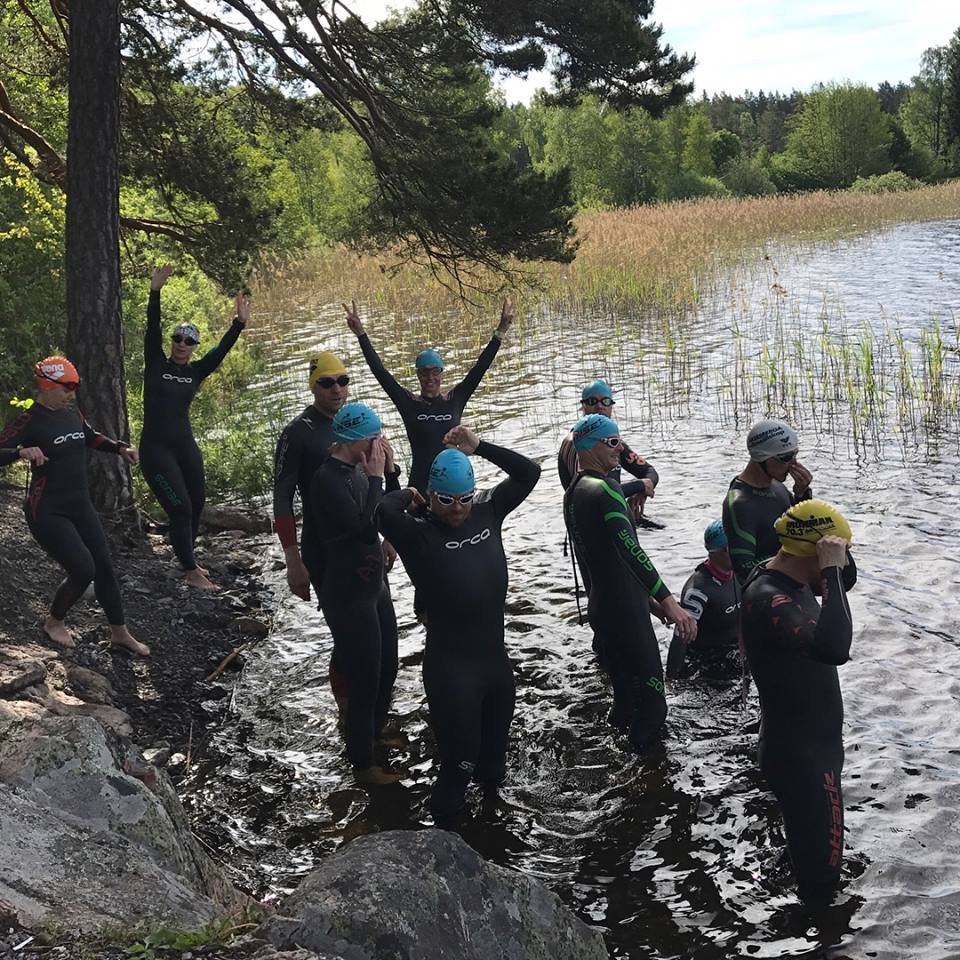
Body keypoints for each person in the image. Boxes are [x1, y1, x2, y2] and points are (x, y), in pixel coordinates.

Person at [377, 425, 540, 826]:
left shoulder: (487, 511)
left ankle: (495, 842)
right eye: (447, 499)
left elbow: (529, 473)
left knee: (494, 768)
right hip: (452, 672)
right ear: (432, 495)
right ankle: (448, 850)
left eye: (464, 498)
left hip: (495, 667)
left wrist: (480, 447)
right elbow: (381, 512)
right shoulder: (417, 534)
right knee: (458, 768)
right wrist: (406, 491)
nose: (457, 508)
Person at [740, 499, 856, 905]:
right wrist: (829, 570)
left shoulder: (788, 576)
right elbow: (835, 647)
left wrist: (832, 560)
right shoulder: (766, 597)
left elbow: (847, 581)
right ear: (809, 555)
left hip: (811, 746)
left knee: (812, 858)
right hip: (803, 756)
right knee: (822, 883)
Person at [563, 413, 696, 751]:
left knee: (624, 701)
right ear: (589, 446)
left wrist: (649, 603)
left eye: (619, 441)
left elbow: (602, 563)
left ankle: (612, 762)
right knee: (654, 706)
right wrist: (668, 602)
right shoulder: (606, 490)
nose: (619, 450)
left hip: (605, 608)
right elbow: (630, 551)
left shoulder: (574, 491)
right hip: (625, 614)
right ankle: (642, 782)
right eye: (612, 443)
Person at [0, 357, 148, 656]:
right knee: (83, 568)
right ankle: (54, 622)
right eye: (66, 388)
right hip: (47, 511)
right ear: (47, 385)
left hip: (80, 505)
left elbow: (91, 438)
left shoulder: (71, 413)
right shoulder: (30, 420)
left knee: (104, 567)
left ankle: (119, 632)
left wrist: (120, 448)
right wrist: (19, 452)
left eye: (74, 388)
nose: (71, 394)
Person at [140, 265, 249, 590]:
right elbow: (151, 328)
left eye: (189, 340)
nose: (181, 344)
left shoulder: (197, 371)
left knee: (197, 502)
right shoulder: (156, 363)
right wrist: (155, 291)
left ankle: (188, 559)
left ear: (194, 345)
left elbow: (221, 351)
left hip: (184, 446)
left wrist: (238, 324)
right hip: (155, 450)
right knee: (180, 507)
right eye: (178, 338)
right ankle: (190, 570)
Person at [310, 403, 400, 786]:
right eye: (374, 438)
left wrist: (391, 474)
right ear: (355, 440)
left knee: (388, 669)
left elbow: (386, 512)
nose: (379, 444)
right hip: (347, 594)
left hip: (374, 586)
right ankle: (362, 767)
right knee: (364, 683)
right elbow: (362, 529)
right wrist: (378, 477)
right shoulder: (326, 479)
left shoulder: (358, 471)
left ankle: (374, 736)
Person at [345, 299, 514, 492]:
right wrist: (361, 334)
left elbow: (479, 368)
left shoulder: (455, 400)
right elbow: (380, 372)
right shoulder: (409, 404)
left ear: (442, 373)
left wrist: (500, 332)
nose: (430, 377)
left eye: (435, 371)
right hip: (419, 485)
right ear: (418, 375)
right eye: (424, 372)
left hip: (453, 484)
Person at [558, 377, 661, 599]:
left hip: (614, 519)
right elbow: (588, 493)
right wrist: (636, 486)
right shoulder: (583, 447)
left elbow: (650, 473)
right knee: (605, 593)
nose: (600, 406)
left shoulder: (610, 442)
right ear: (583, 405)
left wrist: (643, 488)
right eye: (592, 401)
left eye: (606, 401)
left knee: (632, 589)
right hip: (590, 528)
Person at [722, 418, 813, 586]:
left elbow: (801, 532)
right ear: (762, 457)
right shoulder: (739, 504)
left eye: (795, 454)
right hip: (764, 594)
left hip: (789, 582)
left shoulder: (778, 488)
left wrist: (802, 495)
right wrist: (789, 560)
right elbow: (744, 570)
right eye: (786, 457)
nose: (794, 464)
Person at [665, 520, 741, 680]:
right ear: (725, 550)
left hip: (734, 652)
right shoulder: (698, 590)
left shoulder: (740, 574)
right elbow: (680, 639)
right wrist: (671, 681)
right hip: (708, 662)